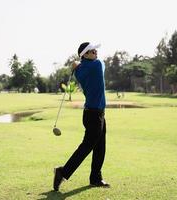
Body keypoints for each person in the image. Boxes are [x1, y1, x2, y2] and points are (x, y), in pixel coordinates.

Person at [53, 42, 110, 191]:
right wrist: (78, 63)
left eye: (95, 50)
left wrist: (77, 64)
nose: (95, 52)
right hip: (93, 114)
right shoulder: (96, 65)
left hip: (95, 113)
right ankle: (62, 172)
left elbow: (79, 65)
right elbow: (102, 64)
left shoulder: (79, 70)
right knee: (87, 147)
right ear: (84, 54)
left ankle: (96, 178)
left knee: (100, 147)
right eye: (92, 51)